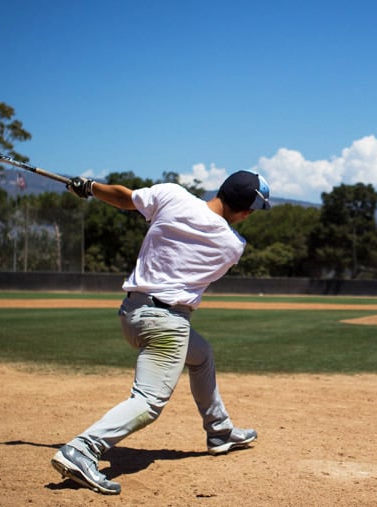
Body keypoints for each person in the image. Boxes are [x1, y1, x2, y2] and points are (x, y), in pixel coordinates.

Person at [51, 170, 271, 495]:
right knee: (149, 402)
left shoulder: (172, 195)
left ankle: (219, 430)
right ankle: (82, 449)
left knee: (201, 354)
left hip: (132, 314)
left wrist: (90, 188)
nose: (250, 215)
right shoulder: (233, 246)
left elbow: (124, 198)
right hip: (166, 325)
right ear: (245, 210)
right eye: (251, 210)